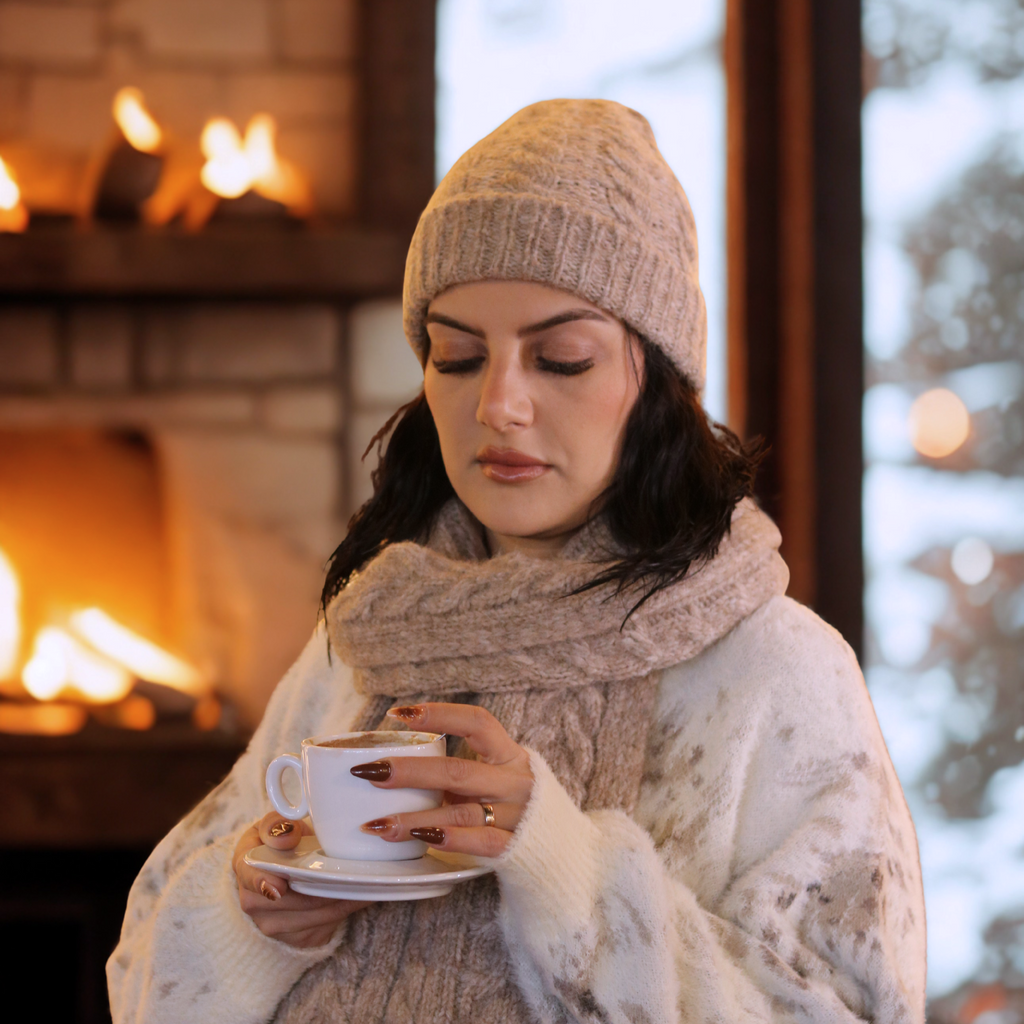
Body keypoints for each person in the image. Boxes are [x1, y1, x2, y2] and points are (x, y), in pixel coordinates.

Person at [107, 99, 926, 1024]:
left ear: (655, 380)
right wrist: (253, 926)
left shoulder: (777, 671)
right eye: (457, 357)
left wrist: (567, 875)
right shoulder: (365, 638)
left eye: (563, 360)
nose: (498, 404)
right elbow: (146, 979)